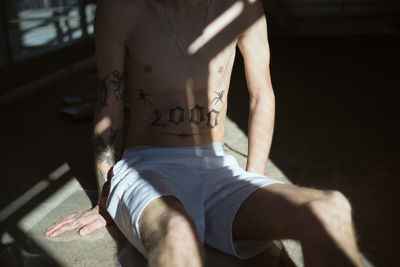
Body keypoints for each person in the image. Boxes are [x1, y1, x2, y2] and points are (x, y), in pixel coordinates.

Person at [45, 0, 364, 266]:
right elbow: (108, 106)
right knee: (179, 236)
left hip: (216, 165)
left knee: (330, 209)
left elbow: (261, 96)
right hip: (145, 167)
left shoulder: (243, 6)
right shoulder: (121, 8)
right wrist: (106, 197)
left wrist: (253, 181)